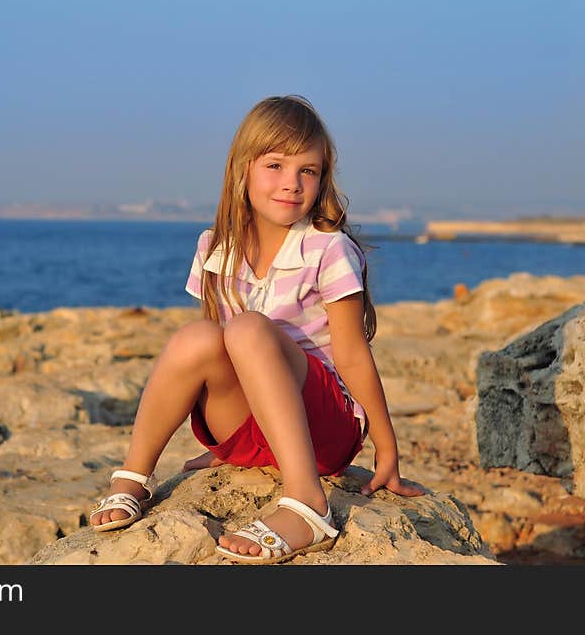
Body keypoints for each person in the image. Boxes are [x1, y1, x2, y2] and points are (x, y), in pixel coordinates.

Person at [89, 94, 424, 564]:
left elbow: (351, 355)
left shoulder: (327, 249)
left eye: (307, 170)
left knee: (247, 329)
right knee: (198, 337)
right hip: (255, 426)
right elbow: (213, 357)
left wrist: (386, 448)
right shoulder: (215, 247)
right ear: (242, 169)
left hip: (326, 427)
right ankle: (134, 476)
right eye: (275, 166)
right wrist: (226, 449)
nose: (292, 183)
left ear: (322, 178)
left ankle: (308, 502)